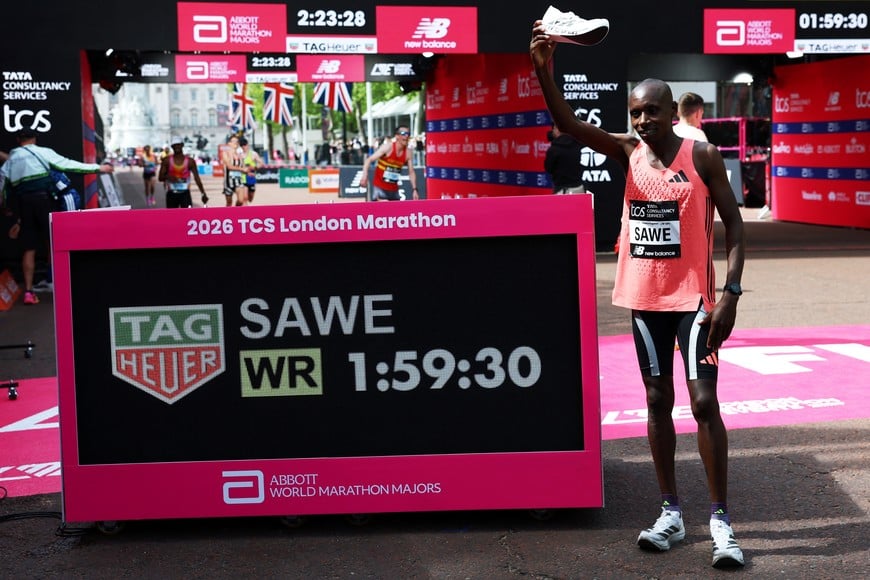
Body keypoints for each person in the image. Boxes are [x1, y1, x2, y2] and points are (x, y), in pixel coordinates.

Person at [531, 22, 746, 569]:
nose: (643, 121)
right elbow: (567, 123)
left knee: (704, 402)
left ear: (672, 112)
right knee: (656, 400)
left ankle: (721, 520)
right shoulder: (627, 151)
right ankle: (671, 511)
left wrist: (731, 294)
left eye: (651, 111)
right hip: (645, 301)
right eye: (635, 113)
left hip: (695, 301)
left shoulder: (702, 156)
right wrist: (543, 68)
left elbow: (736, 225)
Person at [0, 128, 114, 305]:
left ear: (17, 140)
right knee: (54, 243)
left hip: (24, 205)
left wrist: (6, 208)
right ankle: (64, 284)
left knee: (29, 249)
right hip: (45, 202)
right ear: (35, 139)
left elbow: (3, 190)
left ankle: (28, 292)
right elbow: (69, 165)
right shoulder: (43, 152)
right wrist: (99, 168)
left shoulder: (10, 162)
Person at [360, 126, 418, 201]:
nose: (406, 136)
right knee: (380, 208)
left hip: (394, 189)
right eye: (404, 133)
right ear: (397, 136)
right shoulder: (388, 147)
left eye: (408, 134)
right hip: (380, 188)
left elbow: (411, 172)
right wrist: (364, 176)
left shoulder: (408, 153)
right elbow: (369, 160)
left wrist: (414, 189)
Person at [157, 136, 207, 209]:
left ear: (182, 145)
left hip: (185, 194)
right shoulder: (166, 161)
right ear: (172, 147)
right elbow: (160, 178)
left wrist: (203, 193)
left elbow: (197, 178)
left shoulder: (190, 161)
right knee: (172, 216)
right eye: (175, 145)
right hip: (172, 194)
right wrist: (168, 177)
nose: (177, 147)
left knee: (188, 215)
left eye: (178, 145)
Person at [544, 123, 587, 194]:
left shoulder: (554, 149)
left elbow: (548, 168)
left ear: (558, 130)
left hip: (561, 189)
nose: (552, 131)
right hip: (578, 188)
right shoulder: (576, 144)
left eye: (554, 129)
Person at [221, 135, 246, 206]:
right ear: (229, 143)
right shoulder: (225, 153)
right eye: (233, 141)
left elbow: (244, 167)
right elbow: (229, 167)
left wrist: (247, 171)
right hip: (228, 181)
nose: (236, 143)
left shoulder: (240, 155)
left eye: (237, 141)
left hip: (238, 180)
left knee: (241, 200)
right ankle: (230, 212)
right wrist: (241, 169)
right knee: (229, 203)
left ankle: (235, 210)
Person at [239, 137, 265, 204]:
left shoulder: (253, 154)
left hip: (251, 177)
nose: (243, 147)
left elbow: (261, 163)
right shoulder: (240, 155)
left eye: (245, 145)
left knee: (250, 199)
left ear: (247, 145)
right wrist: (243, 170)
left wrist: (255, 168)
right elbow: (239, 167)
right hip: (243, 178)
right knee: (245, 198)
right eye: (242, 145)